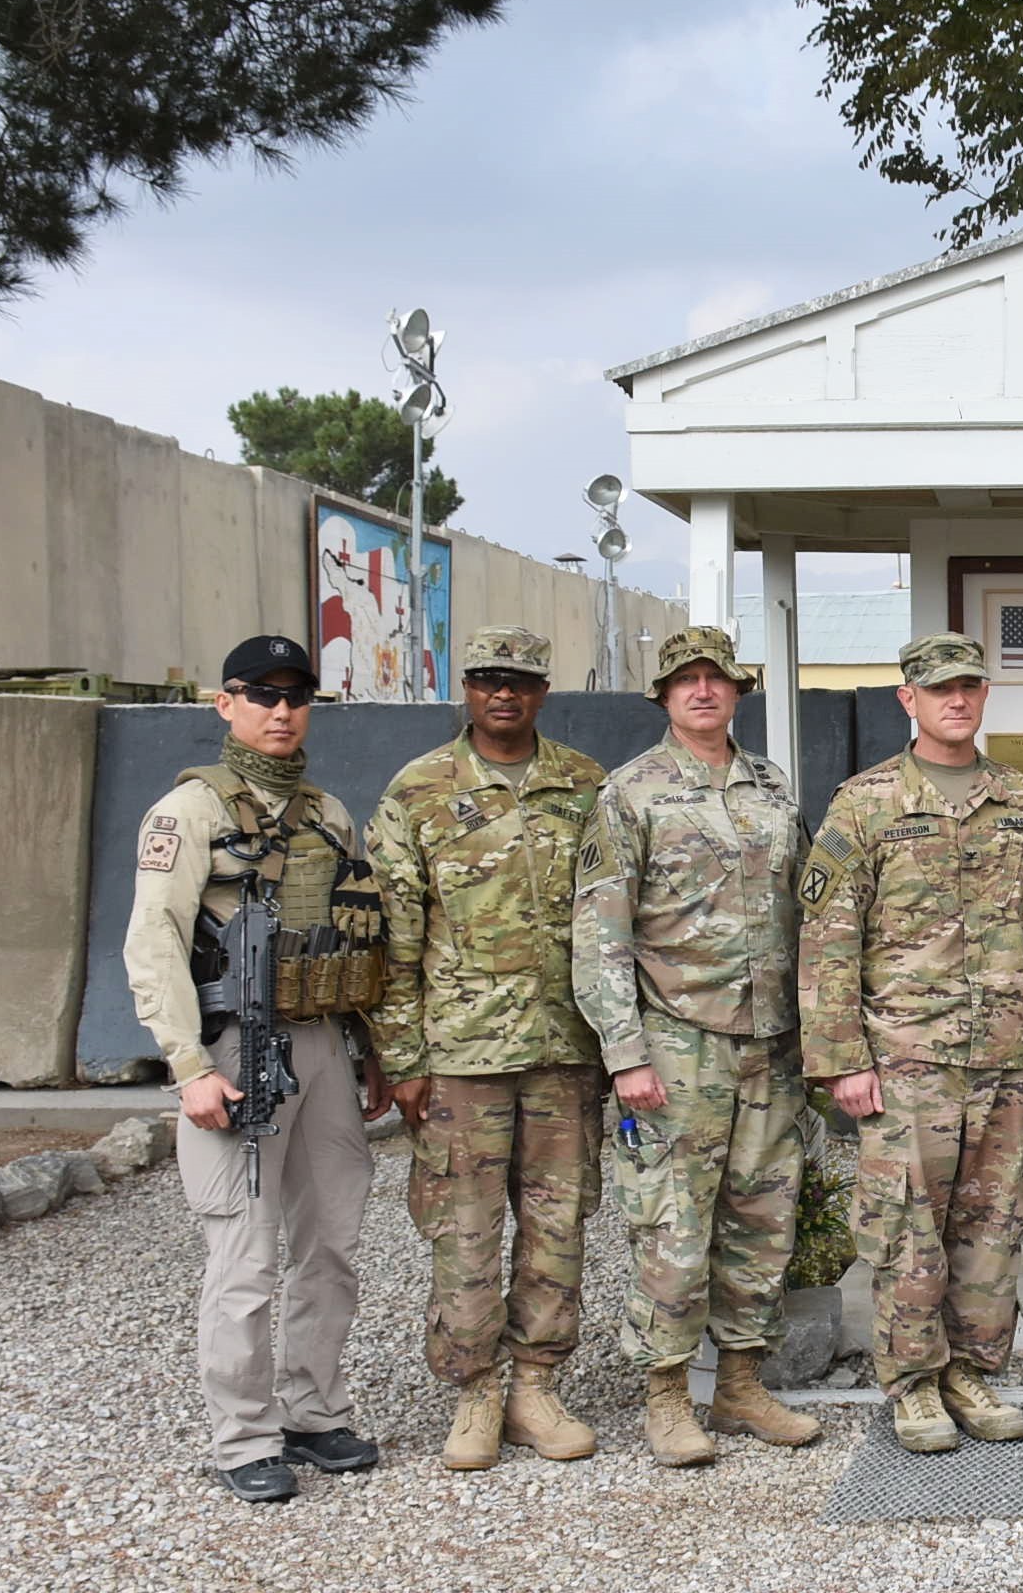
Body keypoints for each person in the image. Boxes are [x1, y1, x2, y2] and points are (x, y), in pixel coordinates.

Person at [798, 632, 1023, 1454]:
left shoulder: (1020, 800)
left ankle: (971, 1368)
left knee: (992, 1222)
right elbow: (826, 940)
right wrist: (842, 1059)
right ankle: (914, 1381)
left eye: (969, 686)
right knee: (905, 1223)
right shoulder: (866, 802)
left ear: (984, 695)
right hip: (905, 1057)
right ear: (908, 700)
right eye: (940, 688)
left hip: (1002, 1052)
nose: (957, 700)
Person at [122, 635, 390, 1503]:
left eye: (296, 695)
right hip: (235, 1048)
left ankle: (314, 1412)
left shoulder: (329, 813)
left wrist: (373, 1052)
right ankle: (243, 1437)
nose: (281, 711)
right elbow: (153, 941)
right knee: (244, 1252)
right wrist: (188, 1065)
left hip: (323, 1045)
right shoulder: (190, 813)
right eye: (262, 694)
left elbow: (356, 940)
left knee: (333, 1244)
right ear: (225, 703)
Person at [572, 625, 820, 1466]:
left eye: (718, 678)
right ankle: (668, 1394)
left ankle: (742, 1385)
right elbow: (600, 933)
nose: (704, 690)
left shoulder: (774, 789)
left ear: (739, 691)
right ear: (665, 696)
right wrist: (625, 1053)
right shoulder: (629, 794)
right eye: (687, 680)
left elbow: (807, 913)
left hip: (771, 1042)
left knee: (763, 1215)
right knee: (672, 1224)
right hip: (679, 1043)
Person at [366, 627, 609, 1471]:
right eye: (487, 679)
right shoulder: (420, 790)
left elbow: (614, 919)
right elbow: (395, 940)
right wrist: (400, 1059)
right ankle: (475, 1390)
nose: (503, 694)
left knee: (558, 1223)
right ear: (464, 688)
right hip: (460, 1054)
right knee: (462, 1229)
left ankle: (536, 1385)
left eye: (521, 681)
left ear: (544, 691)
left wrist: (619, 1041)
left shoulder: (584, 785)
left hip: (565, 1046)